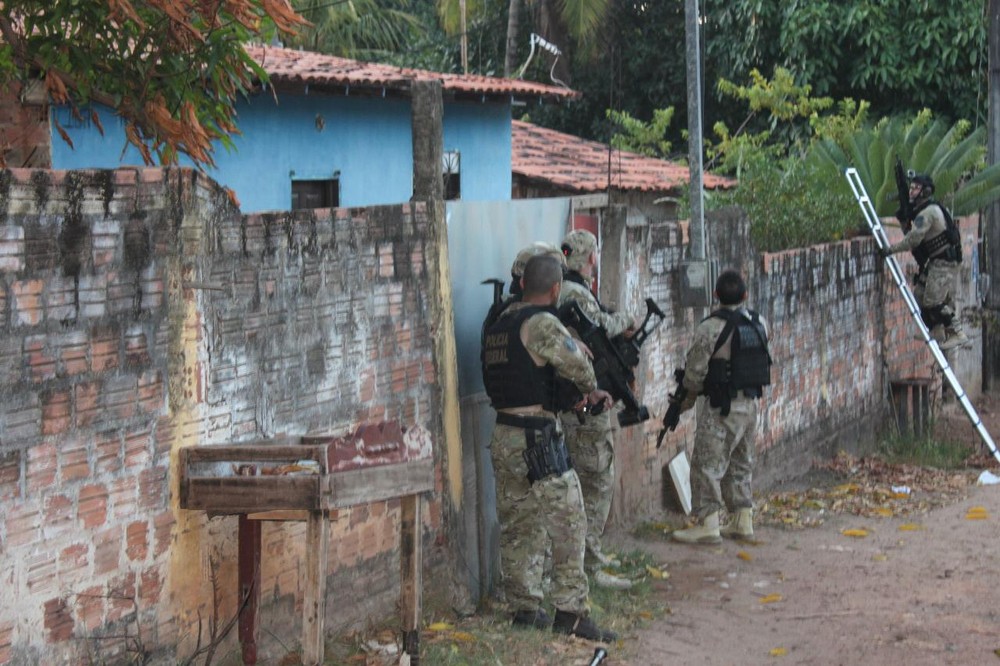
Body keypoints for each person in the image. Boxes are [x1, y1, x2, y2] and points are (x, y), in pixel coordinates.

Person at [481, 253, 618, 642]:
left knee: (519, 524)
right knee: (570, 522)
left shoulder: (500, 323)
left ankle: (525, 607)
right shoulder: (542, 323)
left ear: (523, 284)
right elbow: (581, 369)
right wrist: (579, 359)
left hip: (505, 432)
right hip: (537, 438)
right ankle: (571, 613)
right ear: (556, 289)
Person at [557, 229, 638, 589]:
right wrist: (627, 319)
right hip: (585, 406)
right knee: (597, 481)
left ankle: (587, 557)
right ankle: (588, 563)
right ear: (591, 258)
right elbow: (603, 327)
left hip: (575, 402)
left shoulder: (561, 289)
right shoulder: (575, 293)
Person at [671, 270, 772, 544]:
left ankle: (708, 525)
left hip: (720, 408)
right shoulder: (759, 322)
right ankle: (743, 520)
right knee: (741, 463)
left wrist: (684, 403)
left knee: (706, 466)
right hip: (750, 406)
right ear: (745, 295)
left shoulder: (709, 328)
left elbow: (694, 376)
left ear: (715, 296)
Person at [882, 173, 969, 351]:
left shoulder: (928, 213)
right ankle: (936, 332)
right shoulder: (924, 210)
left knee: (933, 302)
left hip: (945, 263)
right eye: (911, 187)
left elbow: (913, 240)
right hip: (936, 262)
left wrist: (890, 250)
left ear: (925, 192)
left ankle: (957, 333)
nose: (912, 191)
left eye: (915, 188)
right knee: (920, 295)